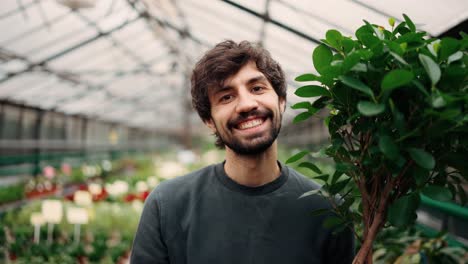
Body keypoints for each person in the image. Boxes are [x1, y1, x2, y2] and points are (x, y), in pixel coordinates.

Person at [130, 40, 354, 263]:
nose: (246, 104)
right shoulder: (168, 205)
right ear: (209, 120)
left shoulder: (328, 210)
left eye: (257, 88)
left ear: (282, 101)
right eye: (226, 97)